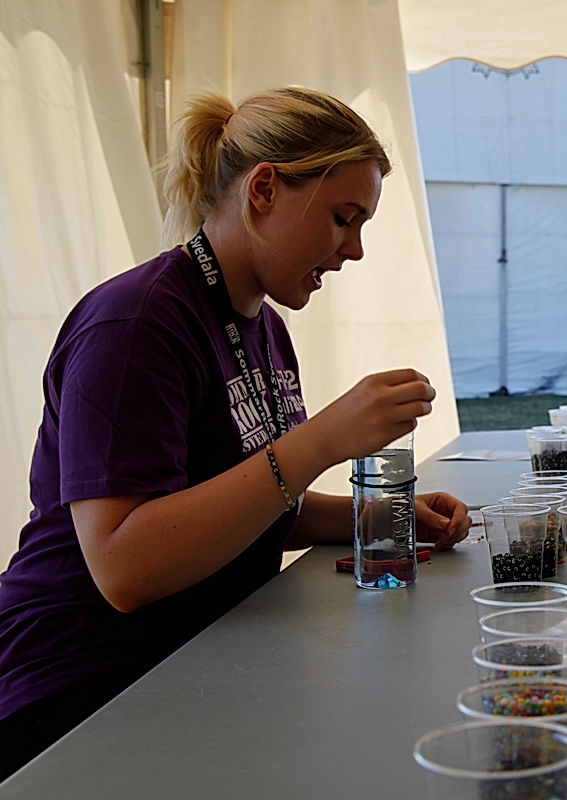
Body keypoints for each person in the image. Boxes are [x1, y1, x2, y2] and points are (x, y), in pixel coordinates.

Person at [0, 86, 472, 779]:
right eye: (343, 219)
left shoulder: (263, 327)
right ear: (264, 189)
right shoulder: (135, 324)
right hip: (76, 690)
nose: (355, 250)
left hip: (190, 664)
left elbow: (249, 508)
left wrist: (378, 517)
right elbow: (125, 568)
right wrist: (319, 441)